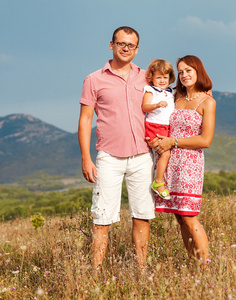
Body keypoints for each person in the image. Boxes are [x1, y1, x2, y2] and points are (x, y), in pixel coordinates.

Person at [78, 26, 155, 269]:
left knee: (142, 215)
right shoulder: (93, 79)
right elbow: (85, 120)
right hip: (109, 157)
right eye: (120, 43)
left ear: (137, 49)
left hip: (143, 156)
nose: (125, 48)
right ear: (110, 45)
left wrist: (203, 89)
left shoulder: (146, 77)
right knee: (102, 217)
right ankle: (95, 272)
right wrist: (86, 158)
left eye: (130, 45)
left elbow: (171, 91)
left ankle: (142, 271)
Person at [148, 55, 216, 266]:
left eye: (189, 70)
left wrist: (172, 141)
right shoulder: (174, 96)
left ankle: (206, 266)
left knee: (189, 215)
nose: (184, 75)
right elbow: (152, 82)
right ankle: (194, 263)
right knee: (178, 217)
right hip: (168, 162)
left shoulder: (208, 101)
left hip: (190, 164)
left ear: (198, 72)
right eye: (181, 71)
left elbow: (205, 140)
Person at [142, 59, 176, 200]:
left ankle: (161, 180)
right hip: (154, 126)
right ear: (151, 78)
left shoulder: (171, 91)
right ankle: (158, 182)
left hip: (165, 127)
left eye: (165, 77)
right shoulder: (151, 90)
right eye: (158, 77)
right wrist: (156, 105)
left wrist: (207, 90)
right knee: (166, 154)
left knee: (166, 154)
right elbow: (145, 107)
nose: (162, 80)